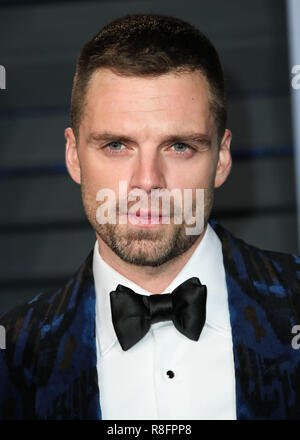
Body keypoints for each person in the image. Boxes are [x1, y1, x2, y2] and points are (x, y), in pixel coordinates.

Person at [0, 13, 300, 421]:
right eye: (117, 145)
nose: (147, 181)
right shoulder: (13, 357)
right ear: (73, 155)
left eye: (178, 146)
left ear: (222, 158)